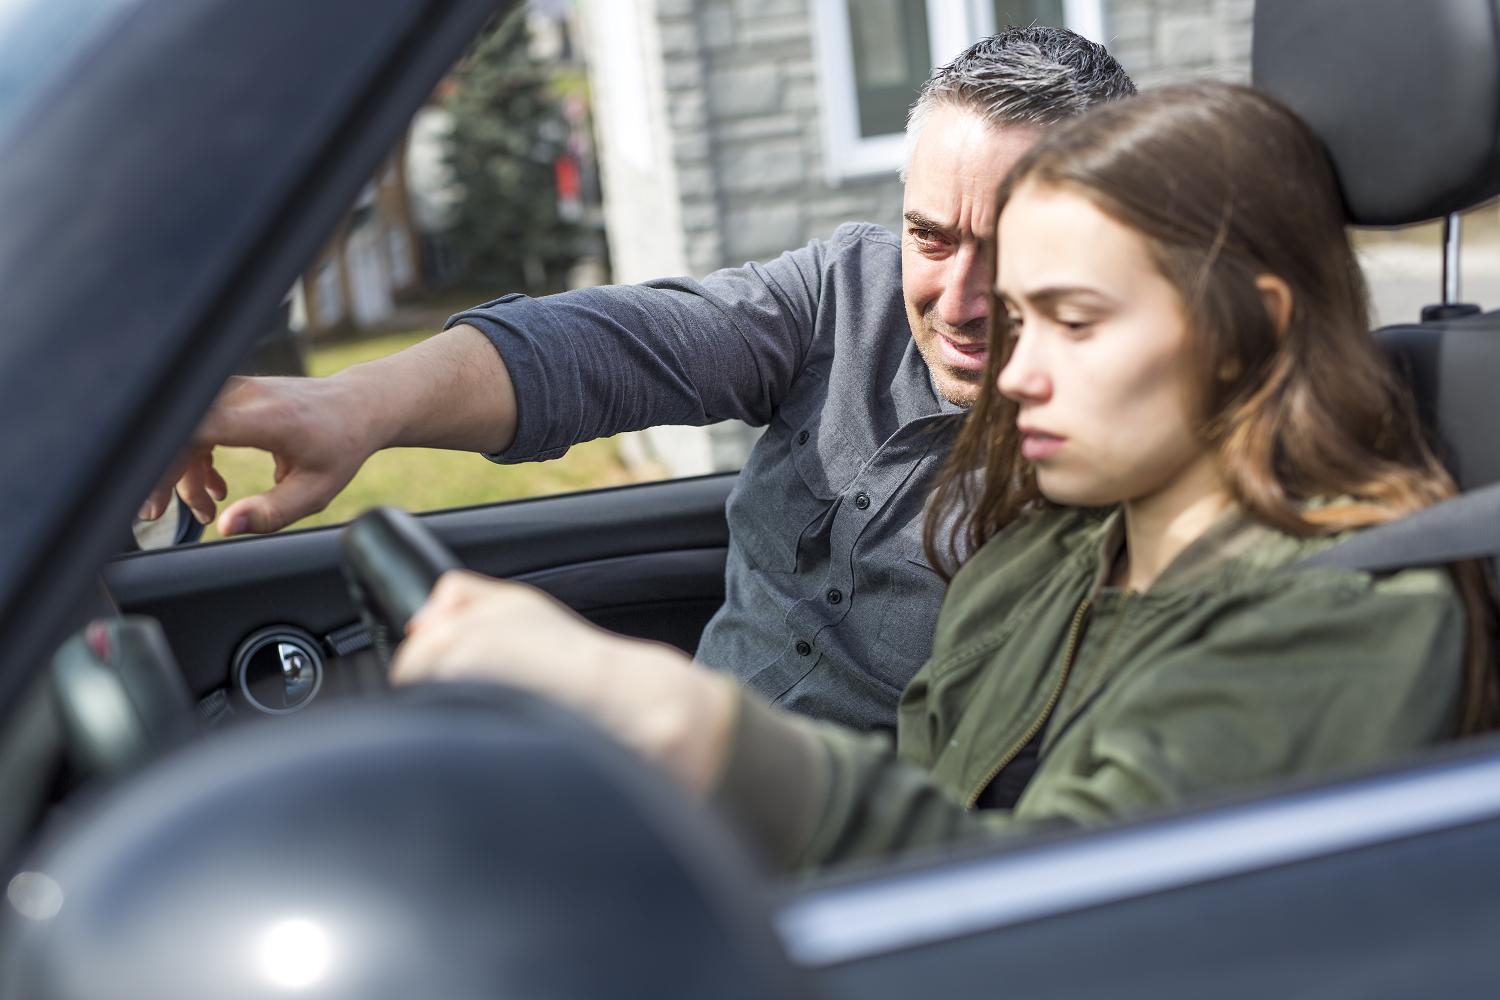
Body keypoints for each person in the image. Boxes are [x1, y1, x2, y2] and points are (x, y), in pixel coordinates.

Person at [387, 81, 1497, 873]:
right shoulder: (1046, 552)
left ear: (1248, 330)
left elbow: (1073, 922)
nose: (1010, 368)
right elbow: (635, 342)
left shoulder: (1350, 618)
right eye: (1018, 315)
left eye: (1072, 320)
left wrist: (675, 720)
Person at [141, 28, 1135, 734]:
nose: (958, 299)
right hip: (665, 796)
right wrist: (355, 406)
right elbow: (613, 346)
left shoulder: (1127, 474)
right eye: (930, 235)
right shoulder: (847, 290)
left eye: (1009, 249)